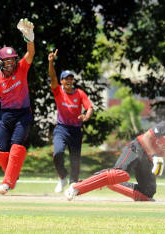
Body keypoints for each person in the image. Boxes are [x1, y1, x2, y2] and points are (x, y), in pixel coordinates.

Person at [64, 109, 165, 202]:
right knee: (120, 174)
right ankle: (77, 187)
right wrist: (154, 156)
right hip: (137, 148)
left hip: (147, 161)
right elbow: (146, 137)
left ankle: (104, 180)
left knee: (148, 193)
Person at [0, 18, 35, 195]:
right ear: (0, 62)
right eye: (7, 61)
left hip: (23, 115)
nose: (11, 63)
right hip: (5, 115)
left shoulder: (21, 69)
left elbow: (31, 54)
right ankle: (12, 175)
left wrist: (30, 38)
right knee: (1, 151)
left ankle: (7, 182)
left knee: (16, 146)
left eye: (12, 60)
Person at [48, 49, 94, 193]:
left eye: (71, 79)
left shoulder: (79, 93)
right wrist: (51, 62)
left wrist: (86, 116)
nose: (69, 81)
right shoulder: (58, 91)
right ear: (61, 81)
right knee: (58, 153)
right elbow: (53, 76)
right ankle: (62, 177)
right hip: (61, 129)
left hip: (75, 130)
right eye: (66, 79)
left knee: (75, 160)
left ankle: (73, 184)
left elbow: (90, 107)